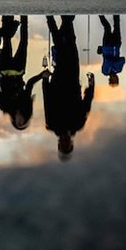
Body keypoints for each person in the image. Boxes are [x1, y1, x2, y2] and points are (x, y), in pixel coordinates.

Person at [43, 16, 95, 159]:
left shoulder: (52, 124)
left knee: (62, 47)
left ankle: (59, 18)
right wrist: (91, 86)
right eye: (68, 146)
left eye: (63, 146)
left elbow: (47, 101)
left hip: (59, 81)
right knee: (70, 44)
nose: (65, 143)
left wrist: (45, 80)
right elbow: (86, 104)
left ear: (59, 144)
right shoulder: (78, 124)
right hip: (72, 78)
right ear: (71, 143)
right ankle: (60, 18)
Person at [0, 16, 49, 130]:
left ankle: (7, 19)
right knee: (24, 43)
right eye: (23, 121)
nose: (20, 120)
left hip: (5, 69)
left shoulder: (5, 107)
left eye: (18, 123)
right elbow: (29, 84)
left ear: (14, 121)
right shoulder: (26, 103)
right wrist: (41, 76)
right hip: (19, 69)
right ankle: (24, 18)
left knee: (7, 41)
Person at [97, 15, 125, 87]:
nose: (115, 78)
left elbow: (107, 60)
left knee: (107, 27)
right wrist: (113, 63)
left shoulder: (105, 71)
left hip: (107, 44)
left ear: (111, 79)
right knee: (117, 26)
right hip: (116, 44)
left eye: (114, 80)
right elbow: (122, 60)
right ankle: (116, 12)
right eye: (116, 79)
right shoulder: (118, 70)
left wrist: (113, 62)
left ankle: (100, 14)